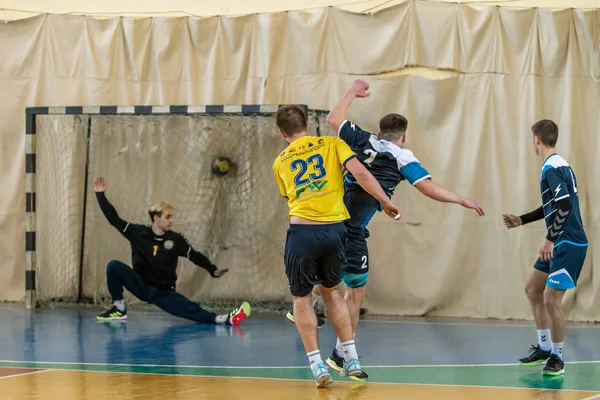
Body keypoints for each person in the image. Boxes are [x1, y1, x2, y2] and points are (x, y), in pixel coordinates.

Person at [286, 79, 484, 372]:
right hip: (350, 233)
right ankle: (342, 355)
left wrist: (352, 91)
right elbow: (427, 187)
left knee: (330, 284)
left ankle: (312, 307)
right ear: (403, 137)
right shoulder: (402, 157)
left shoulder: (362, 139)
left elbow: (333, 119)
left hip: (328, 223)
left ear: (380, 132)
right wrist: (460, 200)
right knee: (354, 292)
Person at [272, 105, 402, 387]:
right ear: (307, 122)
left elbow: (289, 197)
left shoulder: (280, 161)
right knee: (333, 293)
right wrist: (387, 202)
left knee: (302, 297)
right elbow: (364, 176)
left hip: (302, 231)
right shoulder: (333, 144)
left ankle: (318, 366)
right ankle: (351, 358)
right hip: (335, 230)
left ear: (282, 133)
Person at [93, 176, 250, 327]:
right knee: (113, 267)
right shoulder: (137, 233)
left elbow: (195, 256)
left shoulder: (176, 240)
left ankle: (226, 319)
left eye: (171, 217)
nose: (171, 221)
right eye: (168, 217)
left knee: (191, 310)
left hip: (163, 292)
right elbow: (113, 218)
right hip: (141, 286)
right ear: (156, 219)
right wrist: (100, 195)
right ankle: (119, 310)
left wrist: (212, 270)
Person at [503, 119, 587, 376]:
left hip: (568, 242)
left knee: (551, 299)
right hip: (560, 239)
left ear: (536, 140)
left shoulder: (551, 167)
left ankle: (557, 358)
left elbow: (564, 206)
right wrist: (522, 220)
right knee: (533, 288)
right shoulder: (559, 165)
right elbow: (554, 204)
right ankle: (543, 346)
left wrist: (550, 238)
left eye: (531, 139)